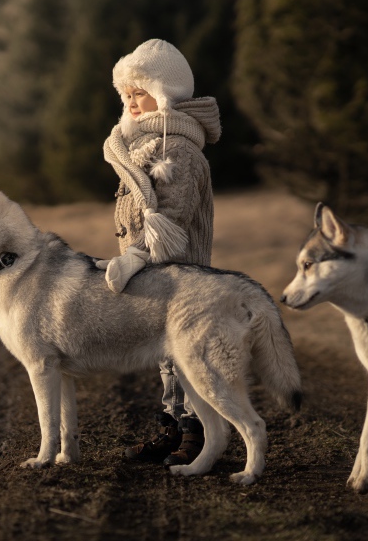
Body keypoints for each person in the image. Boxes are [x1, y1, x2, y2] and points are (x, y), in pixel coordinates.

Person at [96, 38, 222, 466]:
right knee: (167, 357)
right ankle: (172, 426)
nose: (132, 102)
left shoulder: (176, 148)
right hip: (155, 274)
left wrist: (134, 254)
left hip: (179, 274)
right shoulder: (141, 144)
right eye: (126, 94)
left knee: (189, 354)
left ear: (165, 93)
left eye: (140, 92)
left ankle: (198, 432)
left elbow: (173, 213)